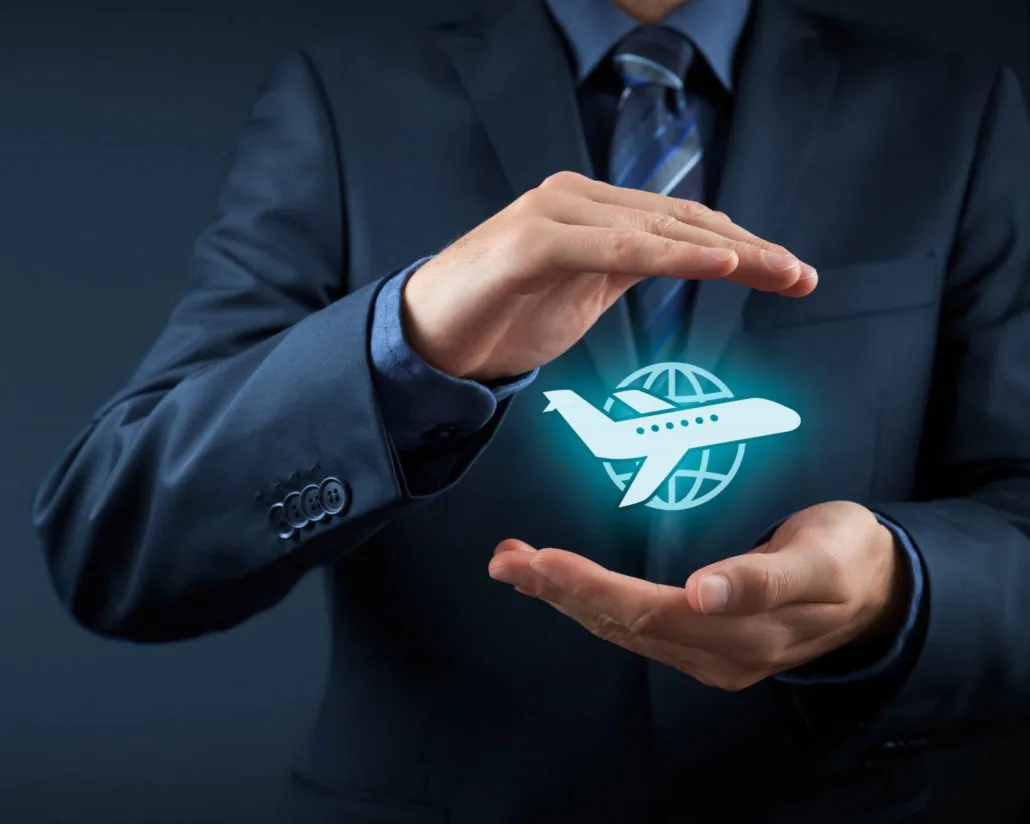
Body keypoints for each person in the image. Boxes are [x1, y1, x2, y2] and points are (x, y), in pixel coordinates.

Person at [32, 0, 1030, 821]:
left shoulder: (955, 109)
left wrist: (898, 587)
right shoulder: (343, 104)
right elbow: (113, 547)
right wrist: (405, 341)